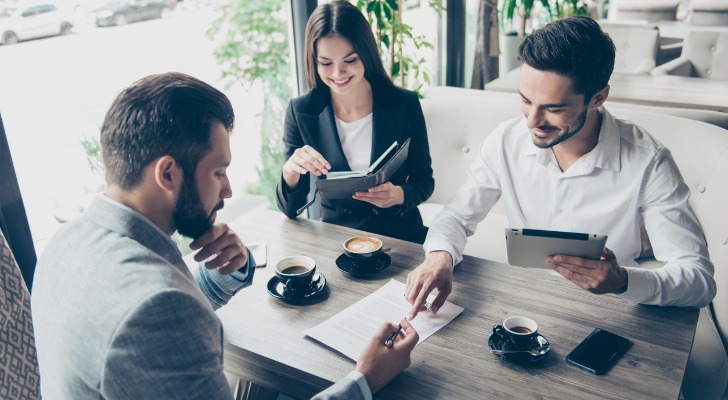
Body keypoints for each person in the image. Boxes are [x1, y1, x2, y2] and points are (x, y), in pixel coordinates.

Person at [31, 72, 419, 400]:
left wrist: (223, 274)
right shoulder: (158, 308)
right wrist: (364, 380)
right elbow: (159, 313)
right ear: (167, 174)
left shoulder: (62, 246)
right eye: (218, 172)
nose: (229, 190)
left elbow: (153, 320)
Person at [404, 16, 716, 319]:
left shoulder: (649, 162)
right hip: (523, 302)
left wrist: (623, 281)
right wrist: (439, 257)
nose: (531, 121)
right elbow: (457, 214)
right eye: (526, 100)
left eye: (553, 109)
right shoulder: (506, 140)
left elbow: (699, 281)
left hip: (609, 314)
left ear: (598, 98)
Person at [276, 0, 434, 244]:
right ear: (314, 60)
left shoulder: (404, 104)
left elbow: (425, 181)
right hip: (340, 244)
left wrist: (399, 195)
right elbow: (290, 209)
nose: (338, 74)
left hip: (402, 240)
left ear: (366, 54)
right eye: (326, 63)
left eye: (350, 60)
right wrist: (290, 171)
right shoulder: (301, 112)